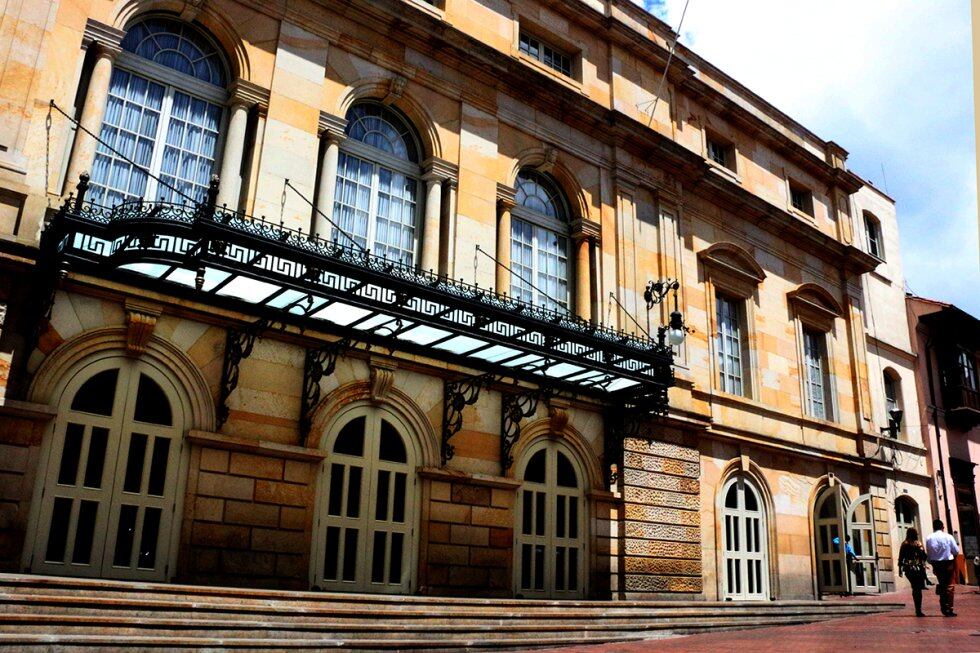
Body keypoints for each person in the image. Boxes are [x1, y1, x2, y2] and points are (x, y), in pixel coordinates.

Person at [925, 519, 959, 617]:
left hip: (936, 564)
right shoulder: (948, 537)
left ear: (934, 527)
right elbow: (956, 551)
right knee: (950, 586)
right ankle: (949, 608)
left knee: (942, 584)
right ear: (942, 527)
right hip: (948, 563)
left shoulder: (929, 538)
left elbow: (929, 554)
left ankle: (943, 606)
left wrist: (933, 564)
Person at [898, 527, 928, 616]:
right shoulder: (918, 544)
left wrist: (900, 569)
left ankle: (917, 609)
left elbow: (901, 557)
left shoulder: (904, 544)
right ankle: (918, 609)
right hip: (918, 568)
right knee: (918, 589)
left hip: (908, 568)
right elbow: (924, 556)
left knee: (915, 588)